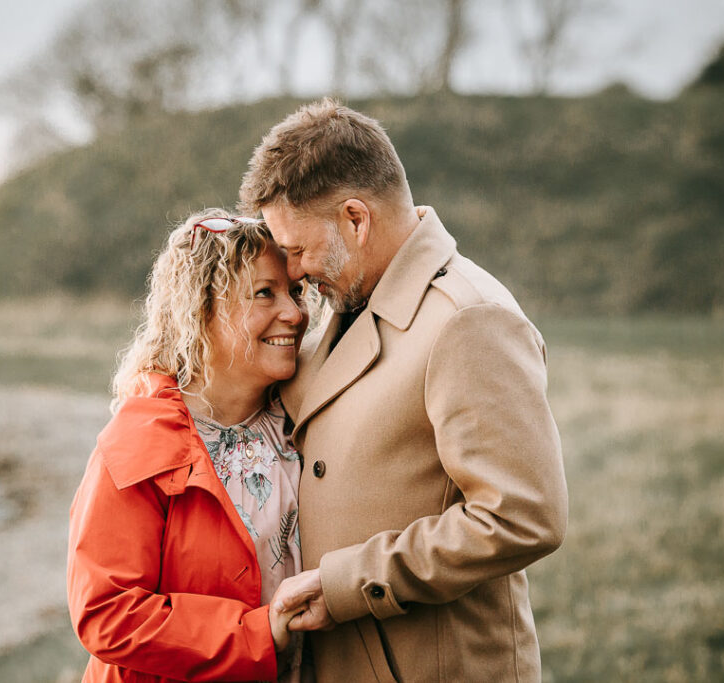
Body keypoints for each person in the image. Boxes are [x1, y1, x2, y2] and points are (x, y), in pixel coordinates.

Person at [240, 99, 569, 682]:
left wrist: (351, 583)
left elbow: (523, 515)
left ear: (355, 220)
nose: (292, 273)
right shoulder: (343, 304)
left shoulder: (469, 319)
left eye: (296, 250)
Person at [67, 210, 311, 682]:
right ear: (201, 308)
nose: (295, 314)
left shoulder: (306, 416)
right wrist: (255, 634)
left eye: (296, 292)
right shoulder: (139, 444)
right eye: (265, 292)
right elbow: (107, 612)